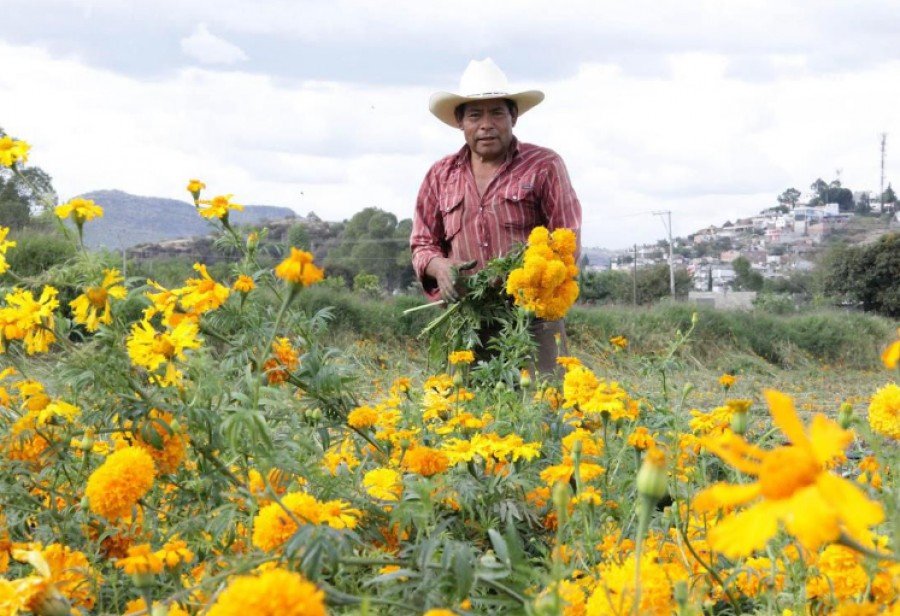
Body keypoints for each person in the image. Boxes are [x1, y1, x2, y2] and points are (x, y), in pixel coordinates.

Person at [410, 58, 582, 374]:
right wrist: (440, 266)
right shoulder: (440, 175)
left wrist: (532, 282)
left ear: (513, 117)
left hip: (532, 321)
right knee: (466, 414)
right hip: (466, 320)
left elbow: (566, 241)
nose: (486, 124)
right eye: (475, 115)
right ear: (460, 122)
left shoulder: (544, 166)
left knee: (541, 412)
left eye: (496, 113)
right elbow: (422, 244)